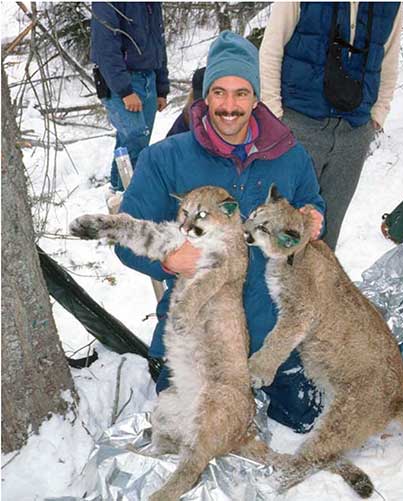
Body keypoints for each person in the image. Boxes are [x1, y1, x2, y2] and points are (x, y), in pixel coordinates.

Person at [116, 31, 326, 433]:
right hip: (200, 340)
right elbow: (126, 235)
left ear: (256, 98)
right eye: (219, 92)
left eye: (241, 93)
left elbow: (312, 204)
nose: (229, 106)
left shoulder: (291, 155)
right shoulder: (166, 158)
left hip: (272, 335)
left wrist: (314, 217)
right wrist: (167, 259)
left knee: (305, 425)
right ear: (205, 97)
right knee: (193, 436)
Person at [260, 2, 403, 250]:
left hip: (354, 131)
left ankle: (315, 290)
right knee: (282, 230)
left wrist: (377, 115)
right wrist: (275, 116)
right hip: (299, 124)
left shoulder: (392, 5)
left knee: (326, 235)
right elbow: (271, 48)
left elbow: (389, 60)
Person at [91, 2, 169, 192]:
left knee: (134, 142)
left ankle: (118, 193)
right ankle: (128, 194)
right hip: (121, 79)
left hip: (148, 77)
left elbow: (158, 41)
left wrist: (161, 87)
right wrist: (124, 90)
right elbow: (105, 47)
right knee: (135, 135)